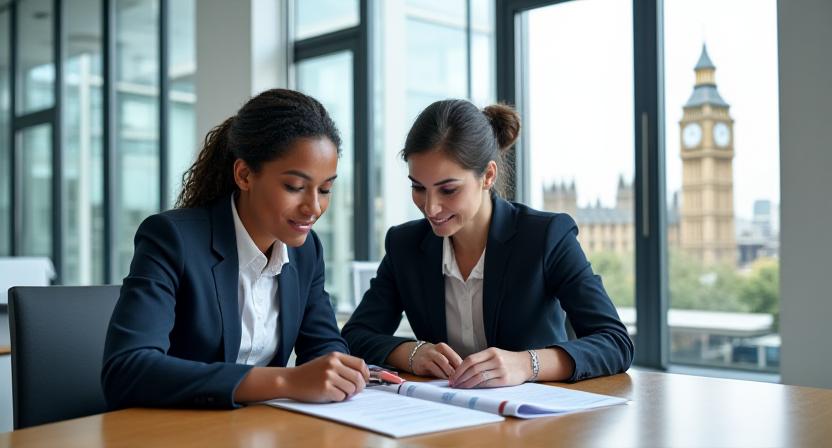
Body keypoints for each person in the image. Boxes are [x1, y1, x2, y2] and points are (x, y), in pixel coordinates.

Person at [102, 89, 369, 409]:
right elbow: (127, 369)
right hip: (176, 430)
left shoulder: (305, 249)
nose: (314, 207)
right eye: (295, 187)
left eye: (325, 189)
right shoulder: (172, 238)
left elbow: (324, 347)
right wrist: (284, 380)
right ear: (244, 175)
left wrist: (340, 373)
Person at [342, 99, 633, 389]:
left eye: (448, 189)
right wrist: (411, 353)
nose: (430, 207)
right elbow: (355, 335)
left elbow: (615, 342)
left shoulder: (546, 237)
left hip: (535, 421)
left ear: (488, 176)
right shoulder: (404, 245)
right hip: (443, 419)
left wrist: (526, 364)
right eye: (418, 187)